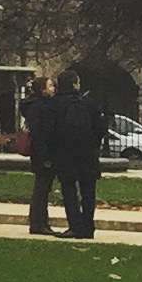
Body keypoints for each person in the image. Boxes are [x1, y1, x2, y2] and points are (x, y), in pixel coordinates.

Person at [49, 67, 107, 240]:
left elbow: (50, 130)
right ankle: (88, 226)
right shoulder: (89, 103)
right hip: (88, 153)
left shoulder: (55, 104)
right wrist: (94, 144)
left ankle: (75, 226)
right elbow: (101, 127)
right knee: (88, 191)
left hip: (65, 153)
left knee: (69, 190)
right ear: (75, 85)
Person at [22, 73, 61, 234]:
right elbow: (38, 134)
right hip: (42, 154)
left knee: (43, 189)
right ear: (42, 90)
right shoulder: (38, 108)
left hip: (43, 152)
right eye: (50, 86)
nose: (53, 89)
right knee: (41, 189)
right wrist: (45, 156)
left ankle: (41, 222)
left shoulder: (38, 106)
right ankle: (38, 223)